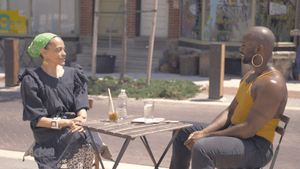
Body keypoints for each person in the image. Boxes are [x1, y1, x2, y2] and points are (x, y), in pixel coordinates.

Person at [170, 26, 288, 169]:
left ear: (258, 49)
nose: (240, 49)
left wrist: (206, 137)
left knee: (202, 147)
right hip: (237, 134)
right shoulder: (250, 76)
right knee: (182, 131)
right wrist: (204, 132)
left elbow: (248, 129)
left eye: (244, 45)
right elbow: (230, 111)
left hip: (256, 146)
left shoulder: (272, 84)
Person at [18, 33, 103, 169]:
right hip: (48, 133)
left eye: (64, 49)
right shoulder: (32, 80)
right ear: (44, 53)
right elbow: (38, 120)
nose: (64, 53)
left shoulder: (75, 75)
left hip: (74, 128)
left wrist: (81, 120)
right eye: (58, 50)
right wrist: (66, 123)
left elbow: (81, 106)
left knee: (85, 136)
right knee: (80, 138)